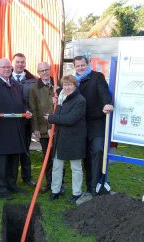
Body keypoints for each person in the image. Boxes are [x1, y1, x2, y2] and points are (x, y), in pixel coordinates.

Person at [0, 57, 32, 200]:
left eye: (8, 67)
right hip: (0, 129)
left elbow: (23, 103)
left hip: (16, 128)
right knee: (2, 160)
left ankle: (12, 184)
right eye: (3, 67)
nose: (7, 69)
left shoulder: (16, 85)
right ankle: (1, 187)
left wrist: (26, 110)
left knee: (14, 158)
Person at [72, 56, 113, 203]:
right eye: (78, 66)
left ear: (87, 64)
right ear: (74, 67)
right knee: (85, 156)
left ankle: (97, 185)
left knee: (97, 151)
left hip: (96, 123)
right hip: (80, 125)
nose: (81, 68)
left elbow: (104, 93)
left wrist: (107, 103)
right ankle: (90, 186)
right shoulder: (73, 82)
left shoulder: (97, 77)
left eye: (83, 65)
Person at [46, 75, 86, 203]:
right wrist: (55, 107)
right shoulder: (61, 98)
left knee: (76, 167)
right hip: (61, 136)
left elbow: (70, 119)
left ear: (75, 86)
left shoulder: (80, 100)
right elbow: (58, 116)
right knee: (57, 166)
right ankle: (55, 190)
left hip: (74, 137)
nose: (67, 87)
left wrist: (51, 118)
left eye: (70, 85)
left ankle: (77, 193)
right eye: (65, 85)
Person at [29, 62, 55, 194]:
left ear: (50, 70)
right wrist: (35, 128)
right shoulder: (34, 88)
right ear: (38, 73)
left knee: (58, 158)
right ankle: (50, 184)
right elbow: (32, 109)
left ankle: (59, 184)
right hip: (44, 130)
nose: (44, 72)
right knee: (47, 158)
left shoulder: (58, 86)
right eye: (41, 70)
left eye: (46, 69)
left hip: (58, 129)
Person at [11, 53, 37, 187]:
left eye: (22, 62)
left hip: (26, 121)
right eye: (17, 62)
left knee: (26, 150)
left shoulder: (32, 80)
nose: (20, 64)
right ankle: (12, 178)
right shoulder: (6, 78)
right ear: (12, 63)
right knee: (13, 150)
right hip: (10, 122)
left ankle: (27, 177)